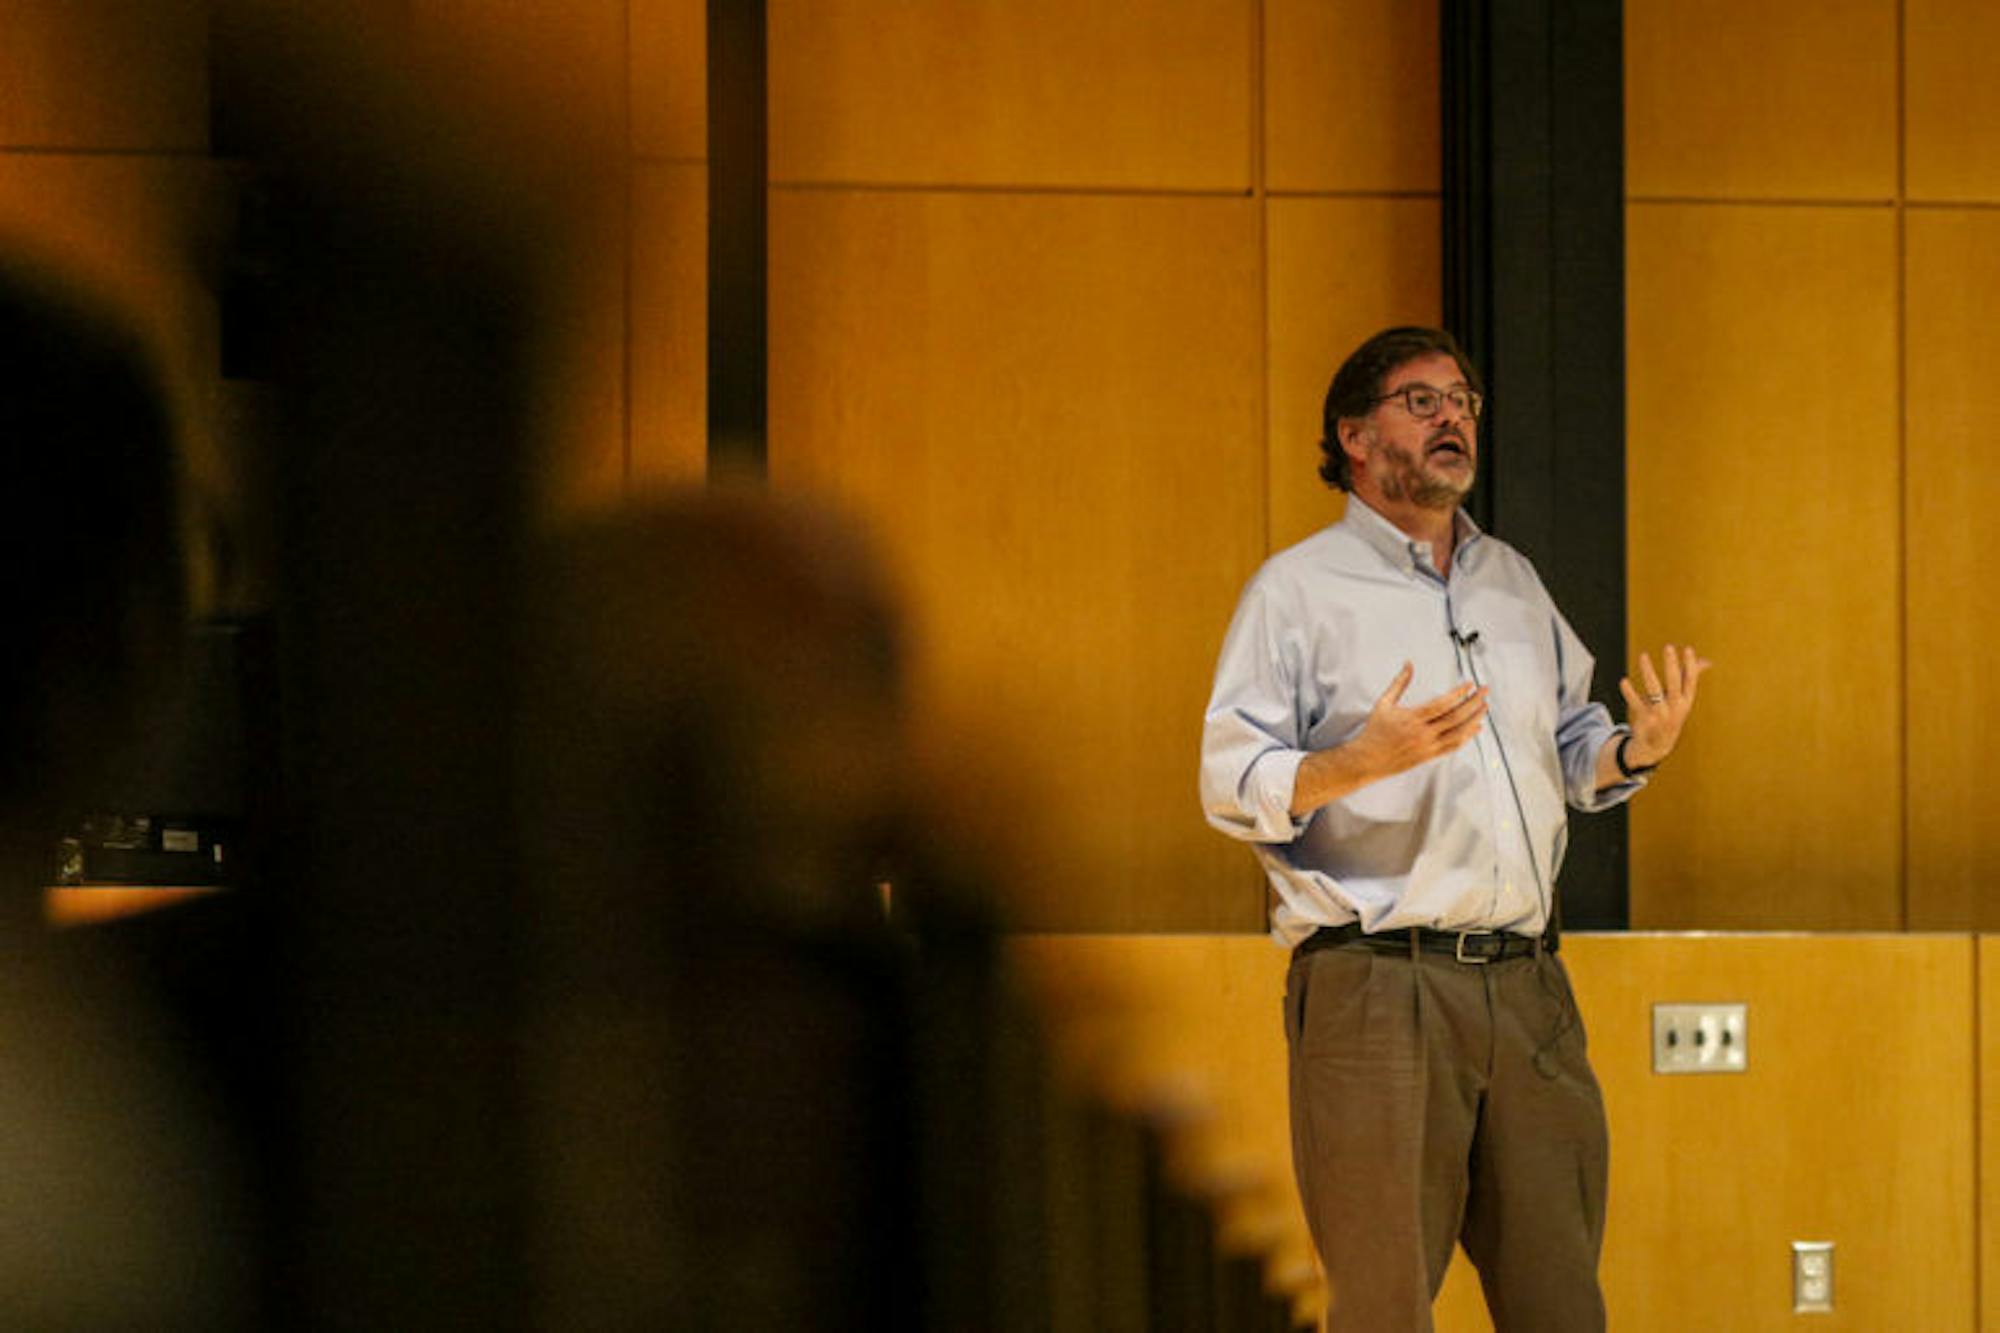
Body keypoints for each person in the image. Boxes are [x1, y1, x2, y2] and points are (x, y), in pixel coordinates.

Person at [1199, 326, 1707, 1331]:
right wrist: (1355, 763)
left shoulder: (1509, 582)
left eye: (1463, 401)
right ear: (1353, 436)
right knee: (1384, 1305)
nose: (1452, 419)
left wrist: (1631, 750)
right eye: (1421, 401)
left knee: (1562, 1302)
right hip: (1378, 986)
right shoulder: (1294, 592)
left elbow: (1567, 744)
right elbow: (1228, 780)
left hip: (1526, 986)